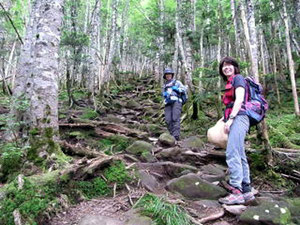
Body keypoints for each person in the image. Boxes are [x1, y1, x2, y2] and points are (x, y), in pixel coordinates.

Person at [218, 56, 255, 205]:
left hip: (239, 117)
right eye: (223, 66)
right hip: (237, 117)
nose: (226, 68)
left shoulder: (238, 79)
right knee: (240, 153)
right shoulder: (230, 81)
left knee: (232, 152)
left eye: (229, 65)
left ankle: (236, 190)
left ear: (235, 67)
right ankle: (246, 190)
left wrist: (232, 118)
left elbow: (239, 99)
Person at [162, 68, 187, 141]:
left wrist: (177, 89)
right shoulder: (164, 85)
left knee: (175, 118)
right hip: (168, 103)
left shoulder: (177, 82)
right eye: (167, 74)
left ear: (172, 75)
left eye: (169, 74)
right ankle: (171, 136)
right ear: (165, 76)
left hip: (177, 102)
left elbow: (184, 89)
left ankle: (175, 137)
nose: (168, 76)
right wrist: (165, 94)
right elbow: (163, 94)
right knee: (168, 120)